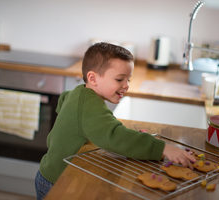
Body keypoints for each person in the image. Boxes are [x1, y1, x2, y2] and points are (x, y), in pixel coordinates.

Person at [35, 42, 195, 199]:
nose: (126, 86)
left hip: (49, 172)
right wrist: (163, 149)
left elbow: (63, 100)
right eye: (119, 79)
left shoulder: (79, 92)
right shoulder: (88, 104)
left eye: (128, 80)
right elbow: (115, 136)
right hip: (58, 181)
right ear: (93, 78)